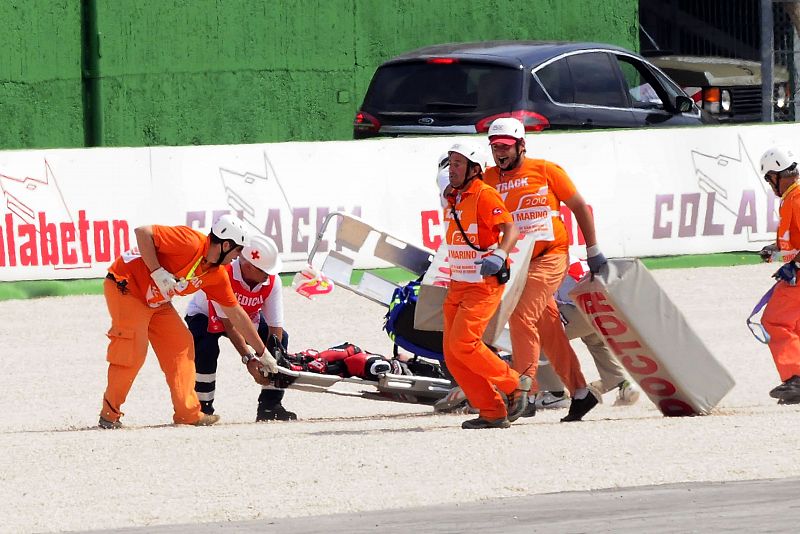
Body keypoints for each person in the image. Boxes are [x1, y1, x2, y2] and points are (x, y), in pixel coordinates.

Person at [98, 214, 278, 429]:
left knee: (181, 345)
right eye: (238, 251)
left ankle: (188, 414)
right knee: (133, 350)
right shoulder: (190, 241)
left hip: (156, 300)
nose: (238, 257)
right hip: (125, 287)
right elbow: (142, 232)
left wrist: (262, 353)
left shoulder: (217, 274)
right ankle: (109, 415)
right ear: (226, 244)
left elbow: (237, 315)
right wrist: (157, 271)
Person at [483, 117, 607, 422]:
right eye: (495, 146)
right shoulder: (487, 179)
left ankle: (524, 391)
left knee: (521, 312)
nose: (500, 152)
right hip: (517, 262)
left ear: (521, 145)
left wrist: (593, 250)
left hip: (551, 255)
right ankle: (580, 392)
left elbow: (579, 206)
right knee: (548, 326)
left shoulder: (546, 170)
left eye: (506, 147)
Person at [441, 142, 529, 429]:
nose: (451, 169)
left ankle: (515, 383)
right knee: (453, 355)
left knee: (464, 343)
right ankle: (492, 411)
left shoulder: (484, 194)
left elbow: (511, 228)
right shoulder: (455, 198)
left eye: (457, 163)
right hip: (459, 285)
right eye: (450, 163)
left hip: (482, 285)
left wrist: (501, 254)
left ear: (474, 169)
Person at [185, 233, 297, 422]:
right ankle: (203, 409)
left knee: (280, 342)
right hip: (204, 314)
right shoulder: (224, 273)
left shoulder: (271, 281)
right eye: (264, 271)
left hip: (243, 317)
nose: (269, 276)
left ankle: (270, 406)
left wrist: (270, 358)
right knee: (207, 348)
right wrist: (249, 360)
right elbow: (229, 325)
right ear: (248, 266)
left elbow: (275, 327)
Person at [530, 260, 640, 412]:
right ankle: (622, 384)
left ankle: (555, 394)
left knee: (542, 337)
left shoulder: (542, 261)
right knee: (596, 342)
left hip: (580, 306)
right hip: (604, 306)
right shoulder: (570, 256)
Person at [758, 146, 800, 404]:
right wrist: (775, 252)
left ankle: (795, 378)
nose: (770, 185)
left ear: (776, 175)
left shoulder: (796, 199)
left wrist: (793, 264)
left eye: (769, 179)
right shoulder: (792, 198)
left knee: (775, 322)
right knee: (794, 325)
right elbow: (792, 242)